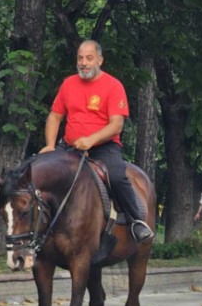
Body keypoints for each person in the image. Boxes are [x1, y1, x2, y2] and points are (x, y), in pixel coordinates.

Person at [39, 40, 153, 243]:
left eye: (89, 58)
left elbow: (116, 125)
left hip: (105, 147)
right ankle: (39, 230)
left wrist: (91, 140)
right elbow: (55, 116)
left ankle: (136, 221)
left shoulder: (113, 85)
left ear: (100, 60)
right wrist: (49, 144)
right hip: (69, 146)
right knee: (43, 173)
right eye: (80, 58)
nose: (84, 63)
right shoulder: (68, 84)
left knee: (117, 177)